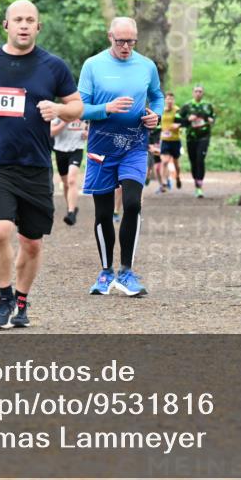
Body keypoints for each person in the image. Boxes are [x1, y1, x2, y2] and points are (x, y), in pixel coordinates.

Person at [0, 0, 82, 329]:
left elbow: (77, 106)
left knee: (32, 244)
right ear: (6, 25)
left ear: (38, 27)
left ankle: (22, 301)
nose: (24, 25)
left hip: (35, 165)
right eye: (18, 19)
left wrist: (59, 110)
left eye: (30, 20)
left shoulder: (53, 67)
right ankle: (5, 295)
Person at [79, 16, 164, 297]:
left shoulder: (147, 66)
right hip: (101, 148)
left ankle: (126, 272)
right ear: (109, 37)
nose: (126, 47)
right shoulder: (93, 65)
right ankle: (105, 272)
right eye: (120, 41)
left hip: (135, 146)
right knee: (103, 212)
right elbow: (80, 108)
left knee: (132, 204)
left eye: (131, 41)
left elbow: (157, 96)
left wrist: (156, 115)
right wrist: (107, 108)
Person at [178, 84, 216, 198]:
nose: (198, 93)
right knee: (193, 161)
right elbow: (178, 121)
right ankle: (196, 183)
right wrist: (188, 120)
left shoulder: (208, 106)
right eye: (196, 91)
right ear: (193, 93)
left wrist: (210, 120)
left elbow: (213, 119)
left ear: (203, 93)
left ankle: (199, 187)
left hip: (204, 136)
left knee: (200, 159)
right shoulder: (187, 106)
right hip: (191, 137)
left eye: (200, 91)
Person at [51, 117, 87, 225]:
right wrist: (65, 122)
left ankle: (71, 213)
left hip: (77, 149)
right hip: (60, 150)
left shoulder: (84, 114)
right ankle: (71, 207)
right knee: (66, 183)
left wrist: (87, 133)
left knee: (72, 180)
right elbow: (51, 132)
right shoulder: (59, 114)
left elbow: (90, 130)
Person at [159, 91, 182, 190]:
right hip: (165, 140)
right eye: (168, 99)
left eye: (171, 99)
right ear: (165, 100)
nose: (169, 101)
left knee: (176, 163)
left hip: (175, 140)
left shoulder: (177, 110)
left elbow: (181, 122)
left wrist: (176, 126)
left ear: (174, 100)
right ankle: (164, 182)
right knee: (165, 161)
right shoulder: (162, 110)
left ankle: (177, 177)